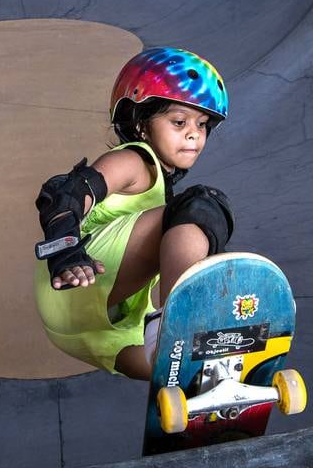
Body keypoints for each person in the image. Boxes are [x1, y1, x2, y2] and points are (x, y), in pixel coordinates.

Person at [33, 47, 235, 382]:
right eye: (179, 122)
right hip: (77, 272)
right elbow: (67, 193)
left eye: (202, 125)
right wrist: (65, 249)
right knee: (202, 206)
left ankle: (209, 375)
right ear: (141, 126)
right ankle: (181, 325)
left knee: (172, 371)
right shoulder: (136, 161)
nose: (194, 134)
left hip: (82, 326)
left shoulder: (160, 193)